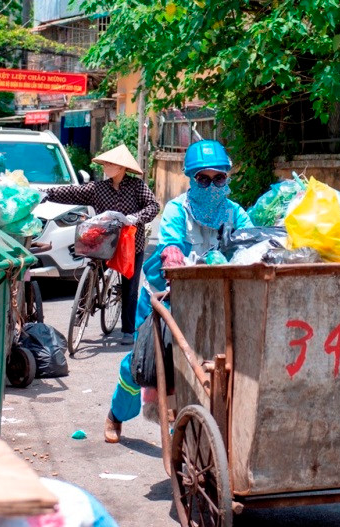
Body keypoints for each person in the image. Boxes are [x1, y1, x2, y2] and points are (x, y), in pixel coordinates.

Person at [104, 139, 253, 443]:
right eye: (203, 179)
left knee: (209, 366)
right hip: (167, 298)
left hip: (215, 301)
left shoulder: (235, 213)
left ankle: (184, 437)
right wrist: (172, 253)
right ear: (191, 179)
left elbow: (250, 244)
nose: (211, 186)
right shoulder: (177, 211)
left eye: (218, 178)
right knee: (143, 364)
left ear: (227, 178)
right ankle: (116, 415)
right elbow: (171, 242)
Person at [44, 144, 160, 345]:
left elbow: (154, 206)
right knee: (89, 275)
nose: (106, 166)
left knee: (130, 287)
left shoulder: (137, 187)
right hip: (103, 242)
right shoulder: (98, 188)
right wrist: (48, 193)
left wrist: (135, 217)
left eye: (110, 163)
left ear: (122, 167)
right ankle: (79, 317)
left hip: (131, 244)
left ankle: (127, 330)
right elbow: (73, 193)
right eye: (105, 163)